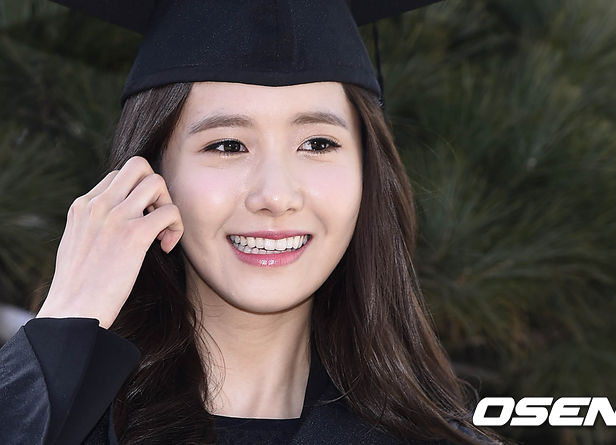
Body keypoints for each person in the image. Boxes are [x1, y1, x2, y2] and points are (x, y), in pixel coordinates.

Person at [0, 1, 499, 444]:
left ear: (369, 173)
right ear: (151, 173)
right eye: (227, 145)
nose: (275, 196)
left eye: (318, 143)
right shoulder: (71, 427)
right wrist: (65, 322)